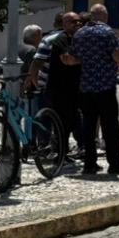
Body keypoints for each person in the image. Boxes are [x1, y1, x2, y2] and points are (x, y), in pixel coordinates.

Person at [68, 4, 119, 175]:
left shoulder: (80, 33)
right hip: (105, 86)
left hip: (86, 87)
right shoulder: (107, 32)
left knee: (89, 126)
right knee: (110, 127)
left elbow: (74, 58)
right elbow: (116, 55)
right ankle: (115, 163)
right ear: (104, 16)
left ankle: (89, 164)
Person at [28, 13, 83, 155]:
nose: (78, 24)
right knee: (63, 119)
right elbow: (38, 63)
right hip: (56, 87)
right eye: (74, 22)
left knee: (55, 119)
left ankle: (50, 149)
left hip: (55, 86)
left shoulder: (54, 39)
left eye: (79, 22)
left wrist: (35, 83)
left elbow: (36, 65)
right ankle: (59, 150)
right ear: (63, 24)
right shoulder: (58, 40)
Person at [19, 24, 43, 117]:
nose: (41, 38)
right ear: (34, 36)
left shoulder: (18, 46)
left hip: (16, 86)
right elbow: (33, 72)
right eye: (40, 35)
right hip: (27, 89)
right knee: (32, 117)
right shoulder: (32, 50)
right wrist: (38, 87)